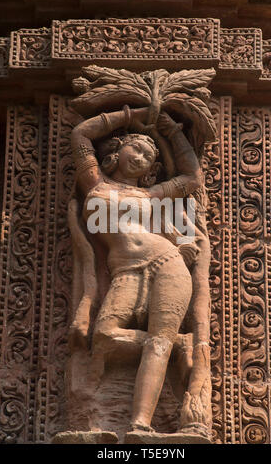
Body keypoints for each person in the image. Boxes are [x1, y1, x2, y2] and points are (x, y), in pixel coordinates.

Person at [69, 105, 203, 433]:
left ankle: (140, 425)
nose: (141, 157)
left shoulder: (151, 194)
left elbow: (192, 178)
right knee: (103, 337)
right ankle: (177, 345)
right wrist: (137, 113)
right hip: (124, 270)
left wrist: (170, 128)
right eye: (136, 148)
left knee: (158, 339)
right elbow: (81, 134)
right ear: (117, 150)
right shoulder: (95, 184)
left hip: (166, 262)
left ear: (151, 168)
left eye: (147, 155)